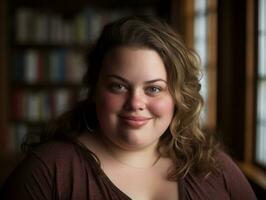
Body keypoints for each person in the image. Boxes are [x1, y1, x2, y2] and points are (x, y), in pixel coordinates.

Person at [1, 15, 256, 200]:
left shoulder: (213, 166)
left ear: (178, 97)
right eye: (118, 86)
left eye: (153, 88)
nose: (135, 103)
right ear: (95, 90)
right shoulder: (49, 170)